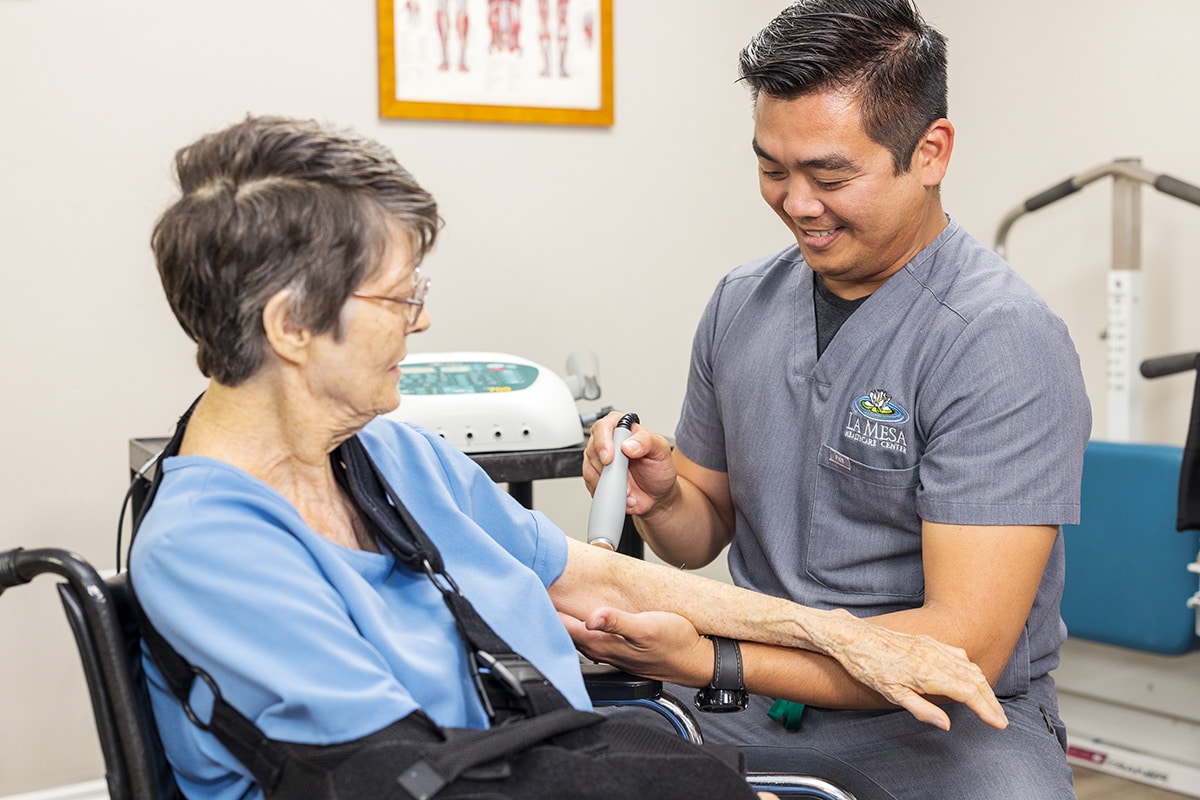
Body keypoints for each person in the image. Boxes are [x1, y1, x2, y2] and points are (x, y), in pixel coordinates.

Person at [131, 114, 1007, 800]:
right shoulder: (212, 549)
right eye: (401, 297)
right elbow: (397, 778)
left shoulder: (394, 458)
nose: (422, 320)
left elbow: (600, 578)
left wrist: (841, 635)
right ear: (290, 325)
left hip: (546, 756)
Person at [581, 1, 1091, 798]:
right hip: (740, 696)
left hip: (934, 721)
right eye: (772, 170)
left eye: (830, 175)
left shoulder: (1000, 339)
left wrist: (707, 654)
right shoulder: (740, 303)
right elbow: (701, 530)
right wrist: (666, 492)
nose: (797, 204)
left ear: (930, 152)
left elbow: (965, 645)